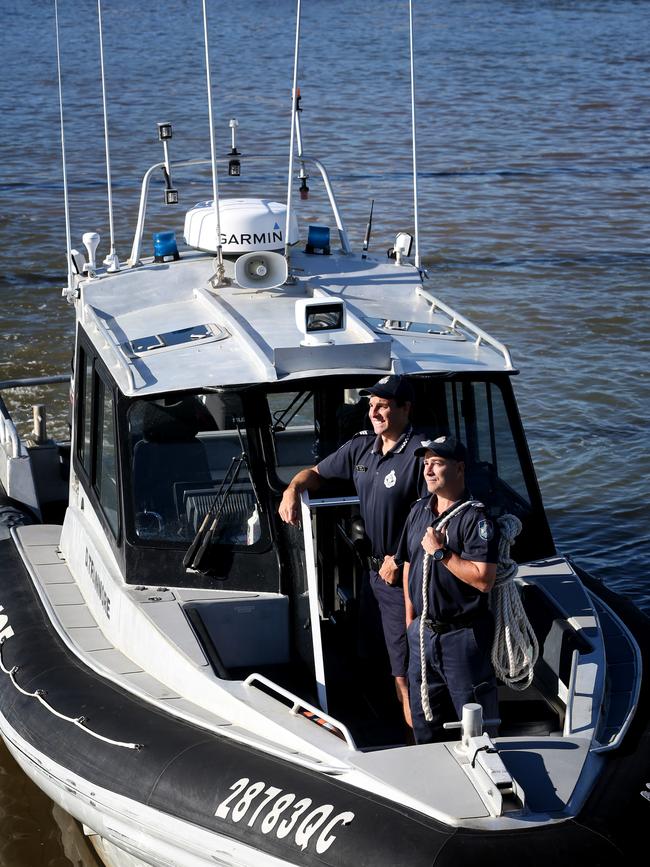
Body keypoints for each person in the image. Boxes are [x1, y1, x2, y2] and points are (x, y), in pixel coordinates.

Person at [278, 375, 427, 726]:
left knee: (406, 672)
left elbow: (433, 516)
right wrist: (292, 490)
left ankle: (418, 741)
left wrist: (400, 559)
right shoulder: (363, 446)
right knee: (376, 658)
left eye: (383, 406)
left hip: (403, 577)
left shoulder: (421, 454)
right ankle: (384, 722)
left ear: (405, 409)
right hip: (373, 575)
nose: (373, 412)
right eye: (371, 405)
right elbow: (316, 472)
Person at [396, 435, 499, 744]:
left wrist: (442, 553)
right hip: (423, 635)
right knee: (424, 721)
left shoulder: (475, 519)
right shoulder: (419, 511)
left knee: (477, 729)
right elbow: (409, 566)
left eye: (437, 464)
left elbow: (484, 579)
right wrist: (411, 621)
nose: (428, 470)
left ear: (459, 469)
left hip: (462, 638)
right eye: (426, 464)